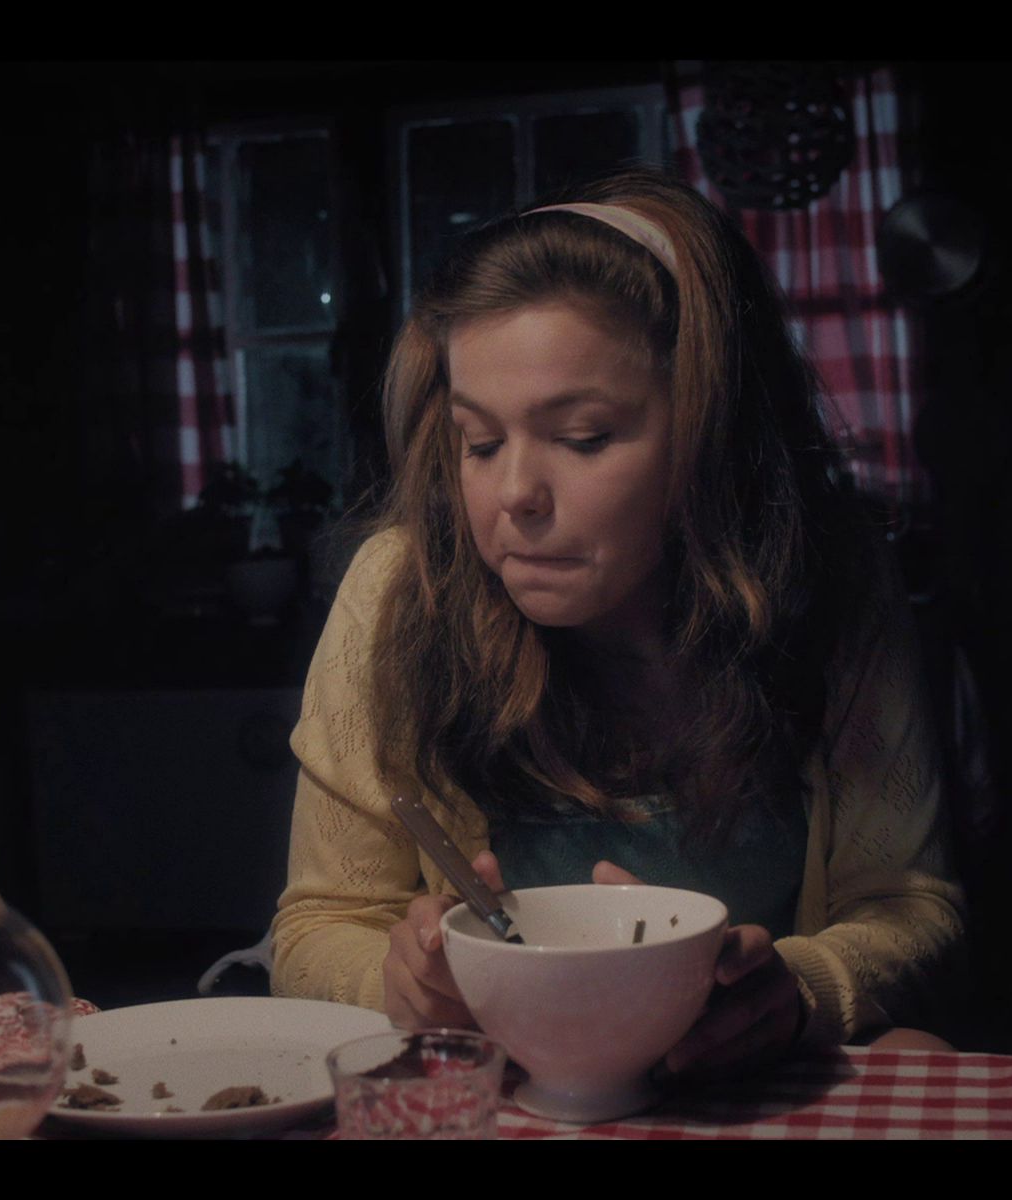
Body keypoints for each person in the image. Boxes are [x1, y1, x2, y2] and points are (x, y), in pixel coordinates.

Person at [271, 168, 963, 1082]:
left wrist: (794, 992)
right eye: (480, 442)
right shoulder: (404, 590)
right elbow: (317, 929)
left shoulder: (834, 583)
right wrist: (402, 986)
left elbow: (911, 907)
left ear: (710, 433)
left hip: (744, 1090)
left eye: (584, 437)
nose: (515, 493)